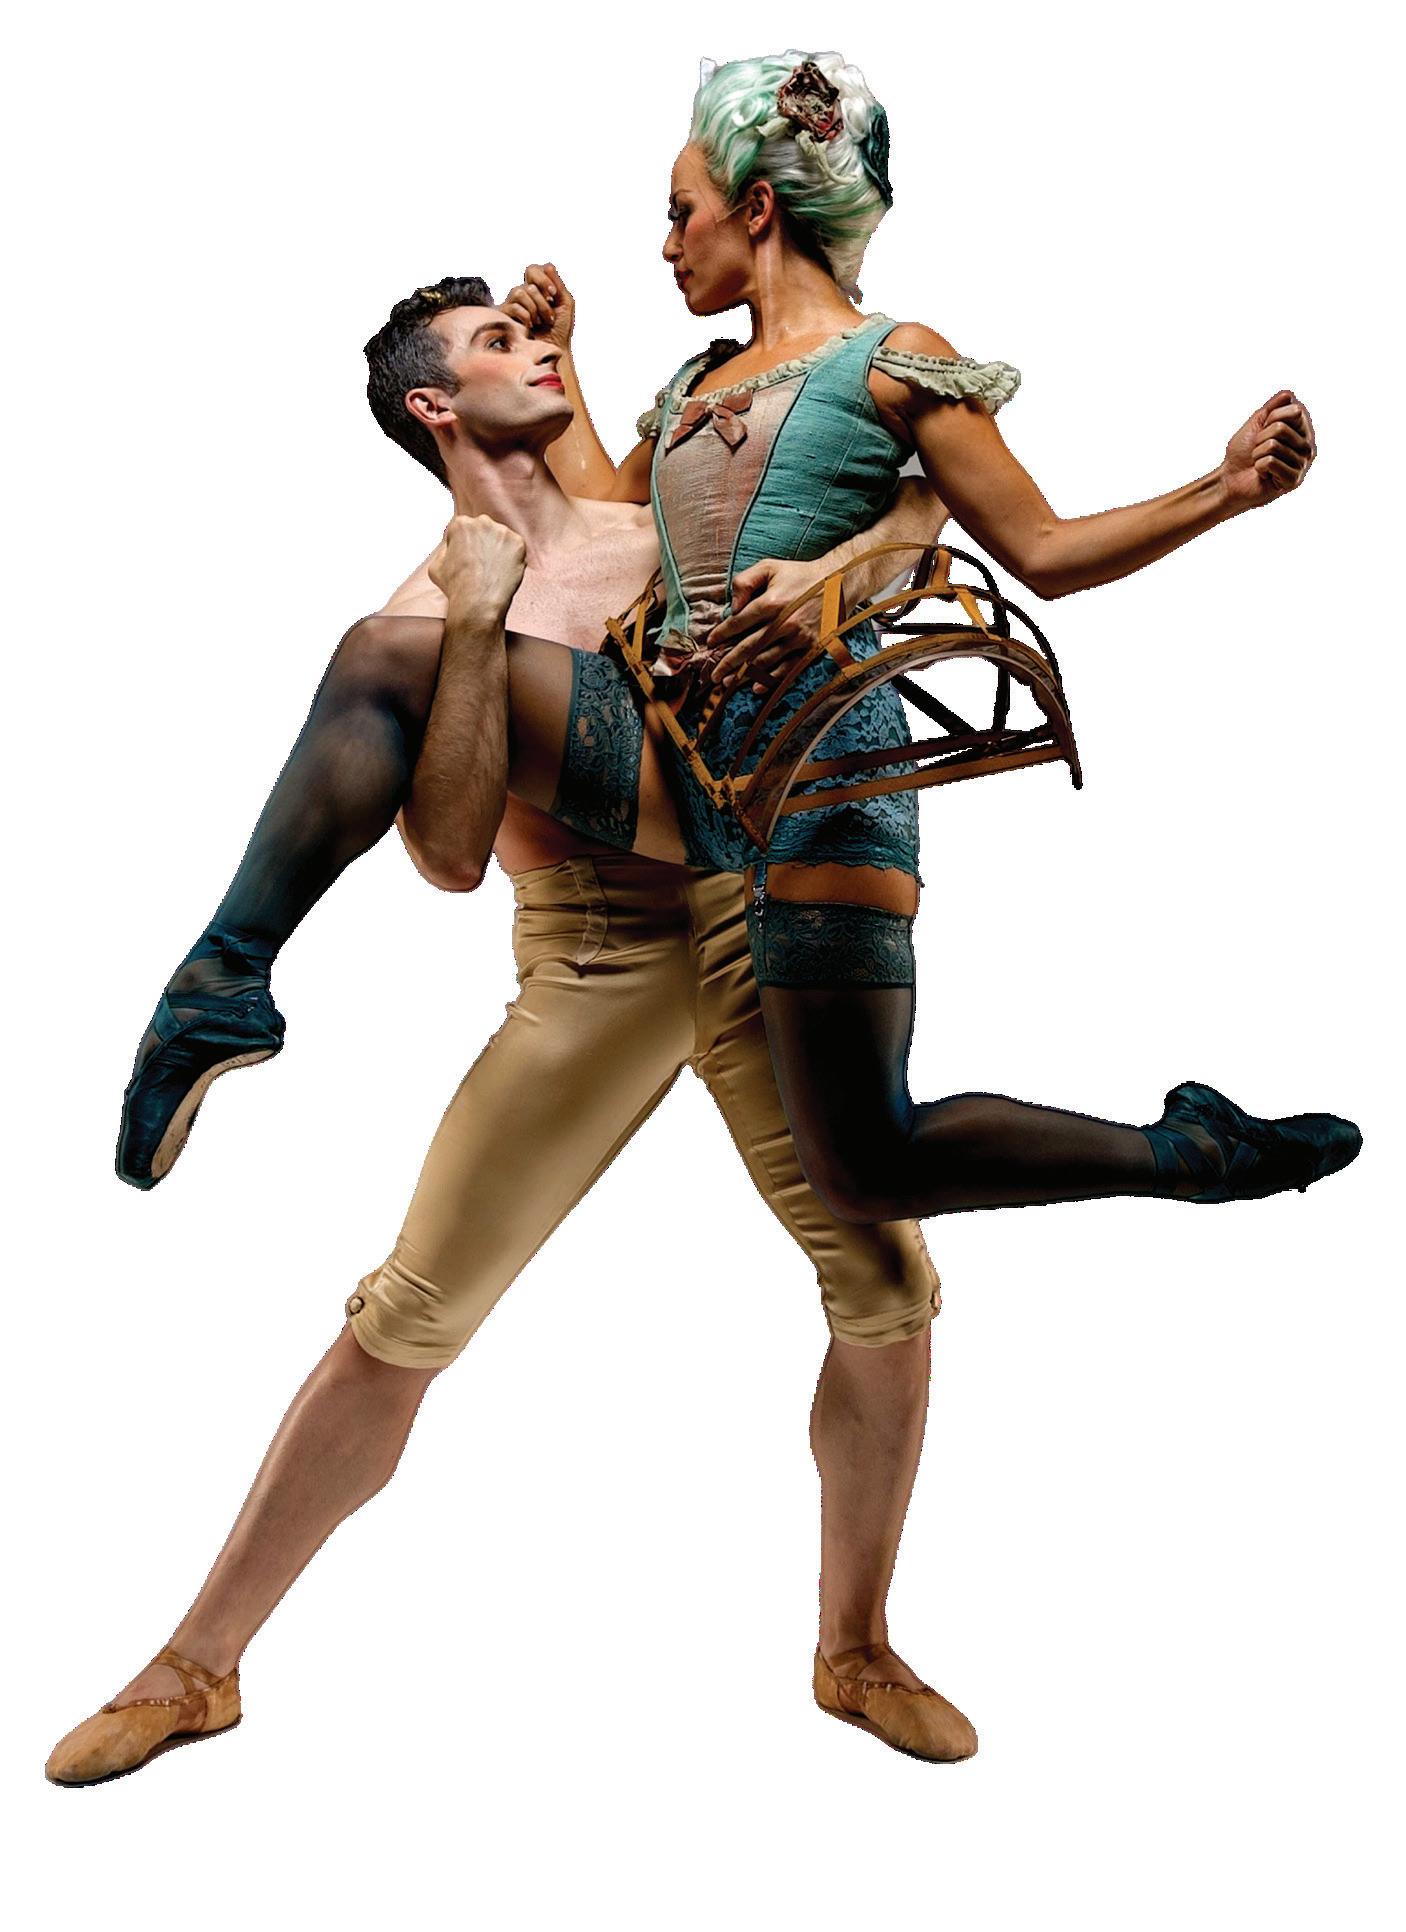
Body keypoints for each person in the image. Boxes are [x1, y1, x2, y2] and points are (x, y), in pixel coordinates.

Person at [46, 276, 974, 1787]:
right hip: (597, 953)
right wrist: (479, 625)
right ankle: (194, 1668)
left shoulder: (657, 525)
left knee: (886, 1286)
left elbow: (890, 515)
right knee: (410, 1312)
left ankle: (854, 1646)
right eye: (498, 344)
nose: (536, 348)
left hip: (759, 924)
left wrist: (882, 516)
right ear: (433, 407)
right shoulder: (425, 613)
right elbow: (447, 854)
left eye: (536, 337)